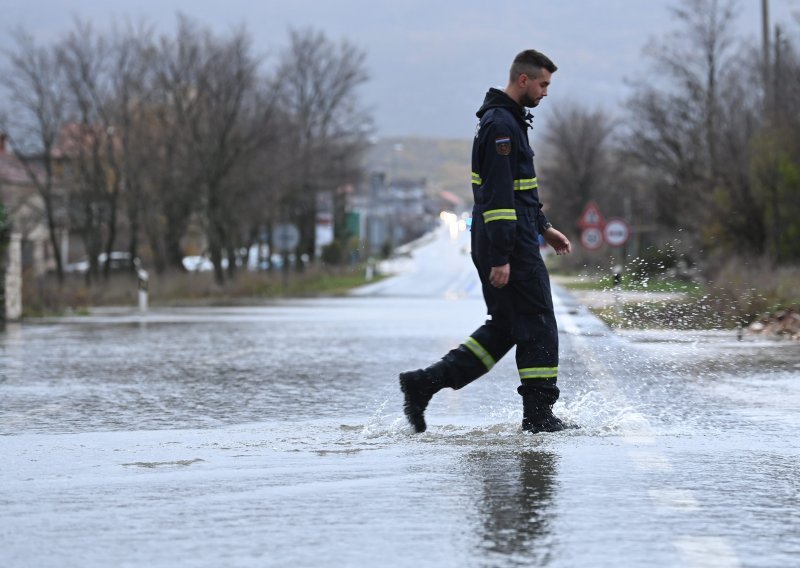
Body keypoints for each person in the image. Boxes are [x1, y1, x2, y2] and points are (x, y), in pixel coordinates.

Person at [399, 49, 573, 433]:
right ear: (523, 80)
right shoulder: (501, 127)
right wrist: (501, 256)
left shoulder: (509, 121)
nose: (546, 93)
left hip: (515, 237)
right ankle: (539, 415)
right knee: (539, 320)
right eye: (543, 84)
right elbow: (496, 198)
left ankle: (423, 383)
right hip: (508, 243)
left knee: (507, 327)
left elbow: (520, 191)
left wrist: (544, 226)